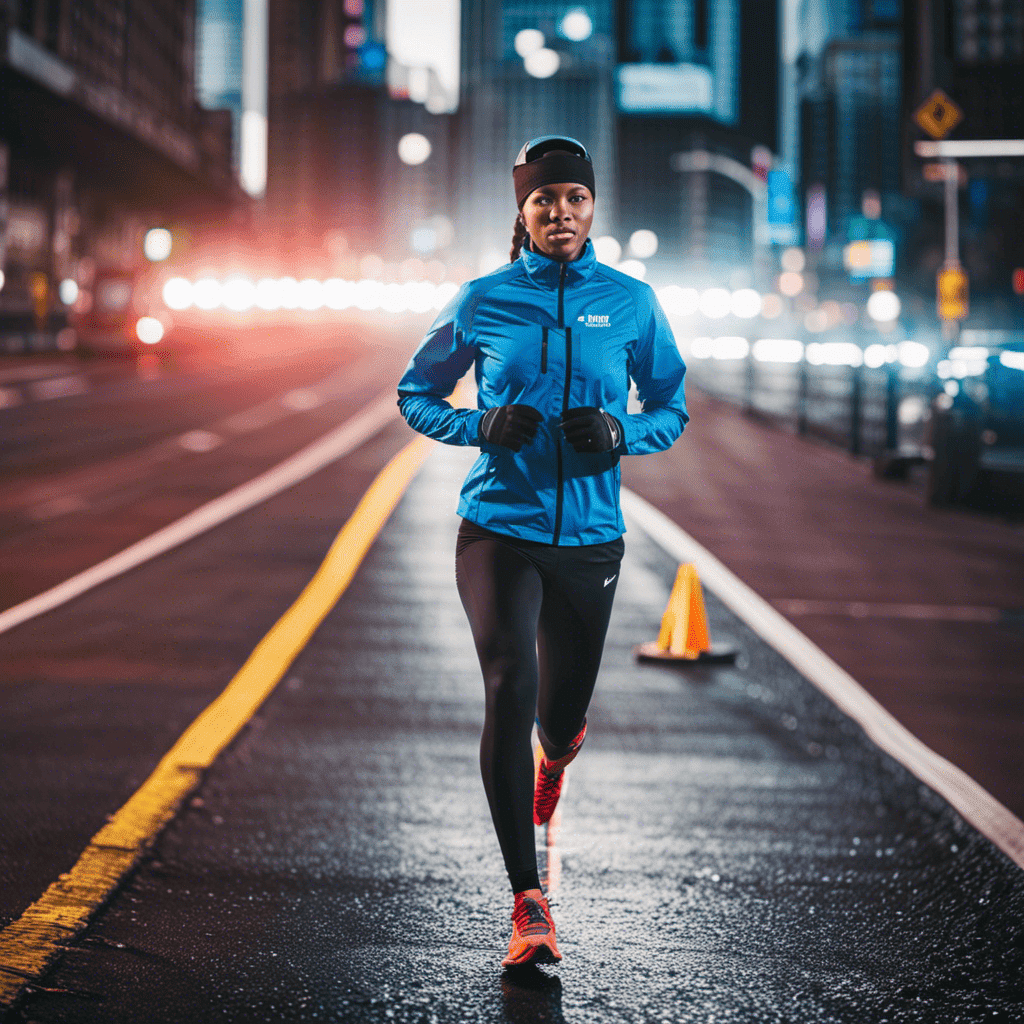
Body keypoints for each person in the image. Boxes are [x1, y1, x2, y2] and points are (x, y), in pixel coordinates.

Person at [397, 135, 688, 968]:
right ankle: (529, 901)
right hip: (497, 526)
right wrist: (476, 425)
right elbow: (415, 391)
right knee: (508, 681)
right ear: (521, 213)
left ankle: (556, 753)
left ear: (593, 210)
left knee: (556, 718)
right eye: (544, 200)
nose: (560, 212)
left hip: (591, 539)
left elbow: (672, 407)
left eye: (575, 199)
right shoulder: (484, 299)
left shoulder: (631, 303)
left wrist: (621, 432)